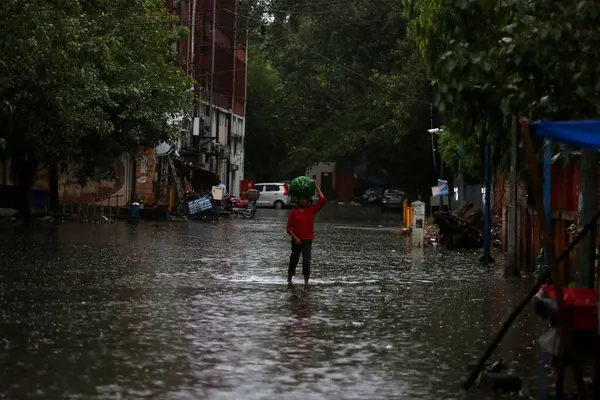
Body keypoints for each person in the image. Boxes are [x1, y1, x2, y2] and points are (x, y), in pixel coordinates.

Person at [286, 182, 326, 287]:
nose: (303, 201)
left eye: (304, 199)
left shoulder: (311, 210)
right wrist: (295, 238)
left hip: (307, 240)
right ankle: (290, 278)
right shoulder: (294, 212)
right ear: (298, 200)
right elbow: (288, 228)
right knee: (294, 260)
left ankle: (306, 282)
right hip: (296, 240)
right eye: (301, 199)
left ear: (308, 200)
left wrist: (317, 186)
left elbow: (323, 200)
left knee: (306, 261)